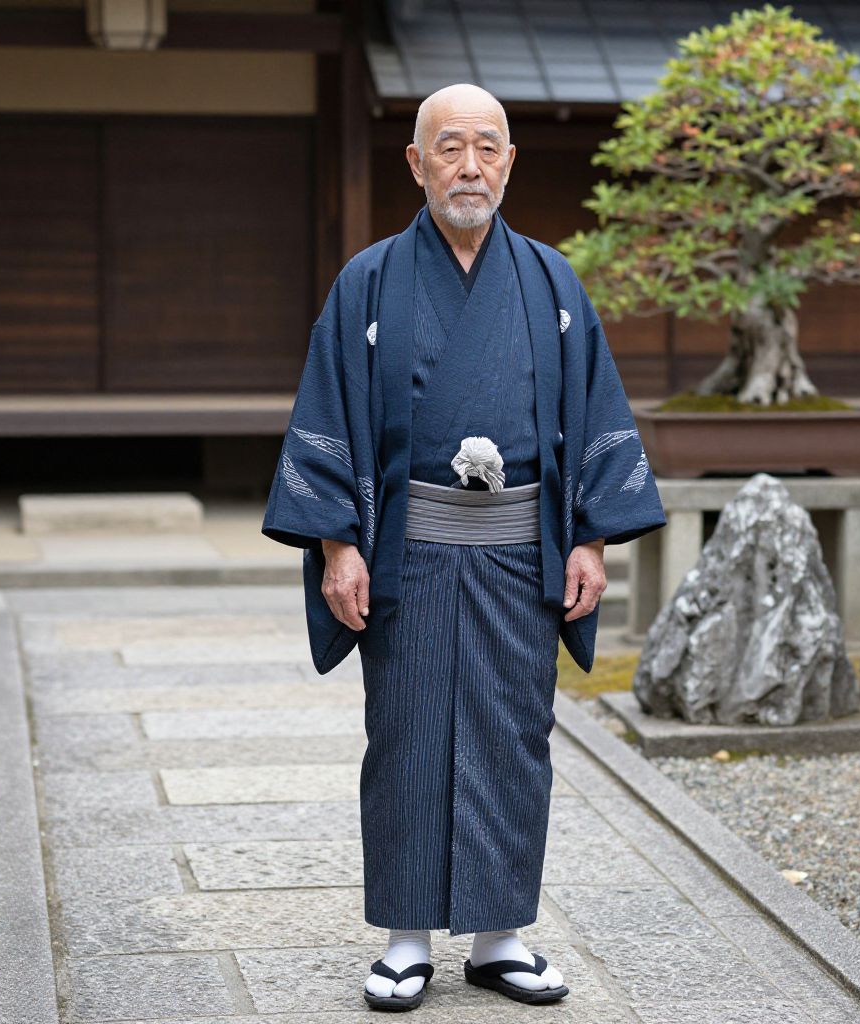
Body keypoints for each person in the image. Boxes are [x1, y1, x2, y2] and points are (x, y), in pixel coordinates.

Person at [262, 83, 667, 1011]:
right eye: (450, 148)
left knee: (514, 738)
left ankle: (499, 937)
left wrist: (592, 539)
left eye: (488, 147)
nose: (470, 166)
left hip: (523, 552)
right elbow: (327, 411)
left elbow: (594, 412)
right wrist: (337, 547)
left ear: (510, 162)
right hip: (406, 551)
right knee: (403, 735)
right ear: (417, 163)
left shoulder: (552, 283)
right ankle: (405, 938)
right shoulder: (368, 282)